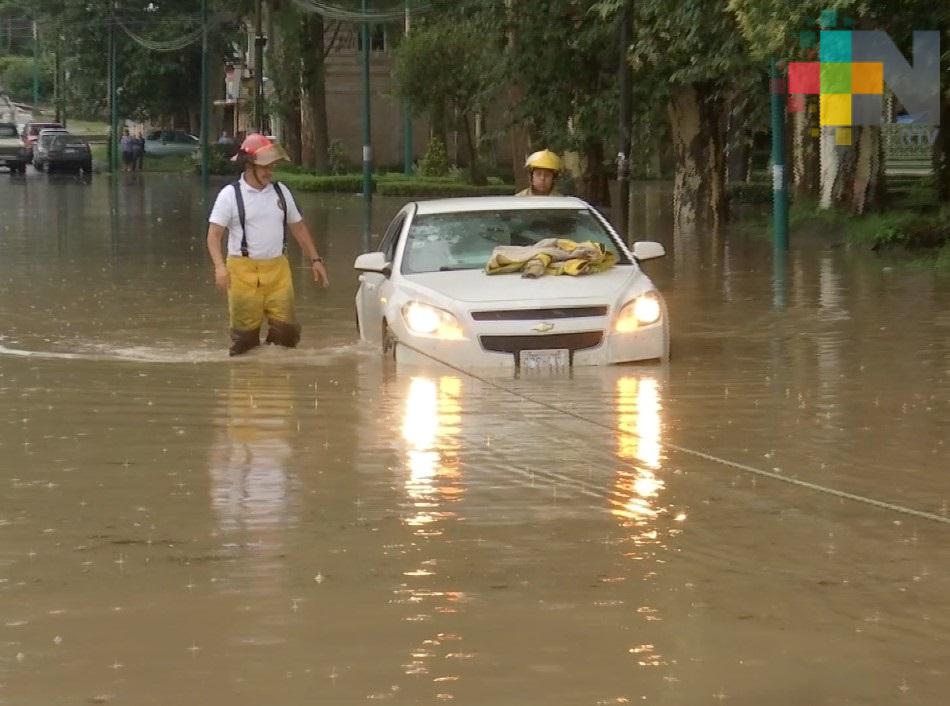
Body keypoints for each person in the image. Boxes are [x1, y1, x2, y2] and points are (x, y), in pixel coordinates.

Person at [206, 133, 330, 356]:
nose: (269, 172)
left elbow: (299, 228)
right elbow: (213, 236)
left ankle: (278, 372)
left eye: (272, 166)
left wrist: (315, 259)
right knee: (245, 340)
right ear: (248, 165)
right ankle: (248, 375)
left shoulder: (281, 192)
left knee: (287, 333)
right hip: (242, 272)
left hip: (278, 270)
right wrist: (219, 268)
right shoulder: (229, 195)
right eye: (264, 167)